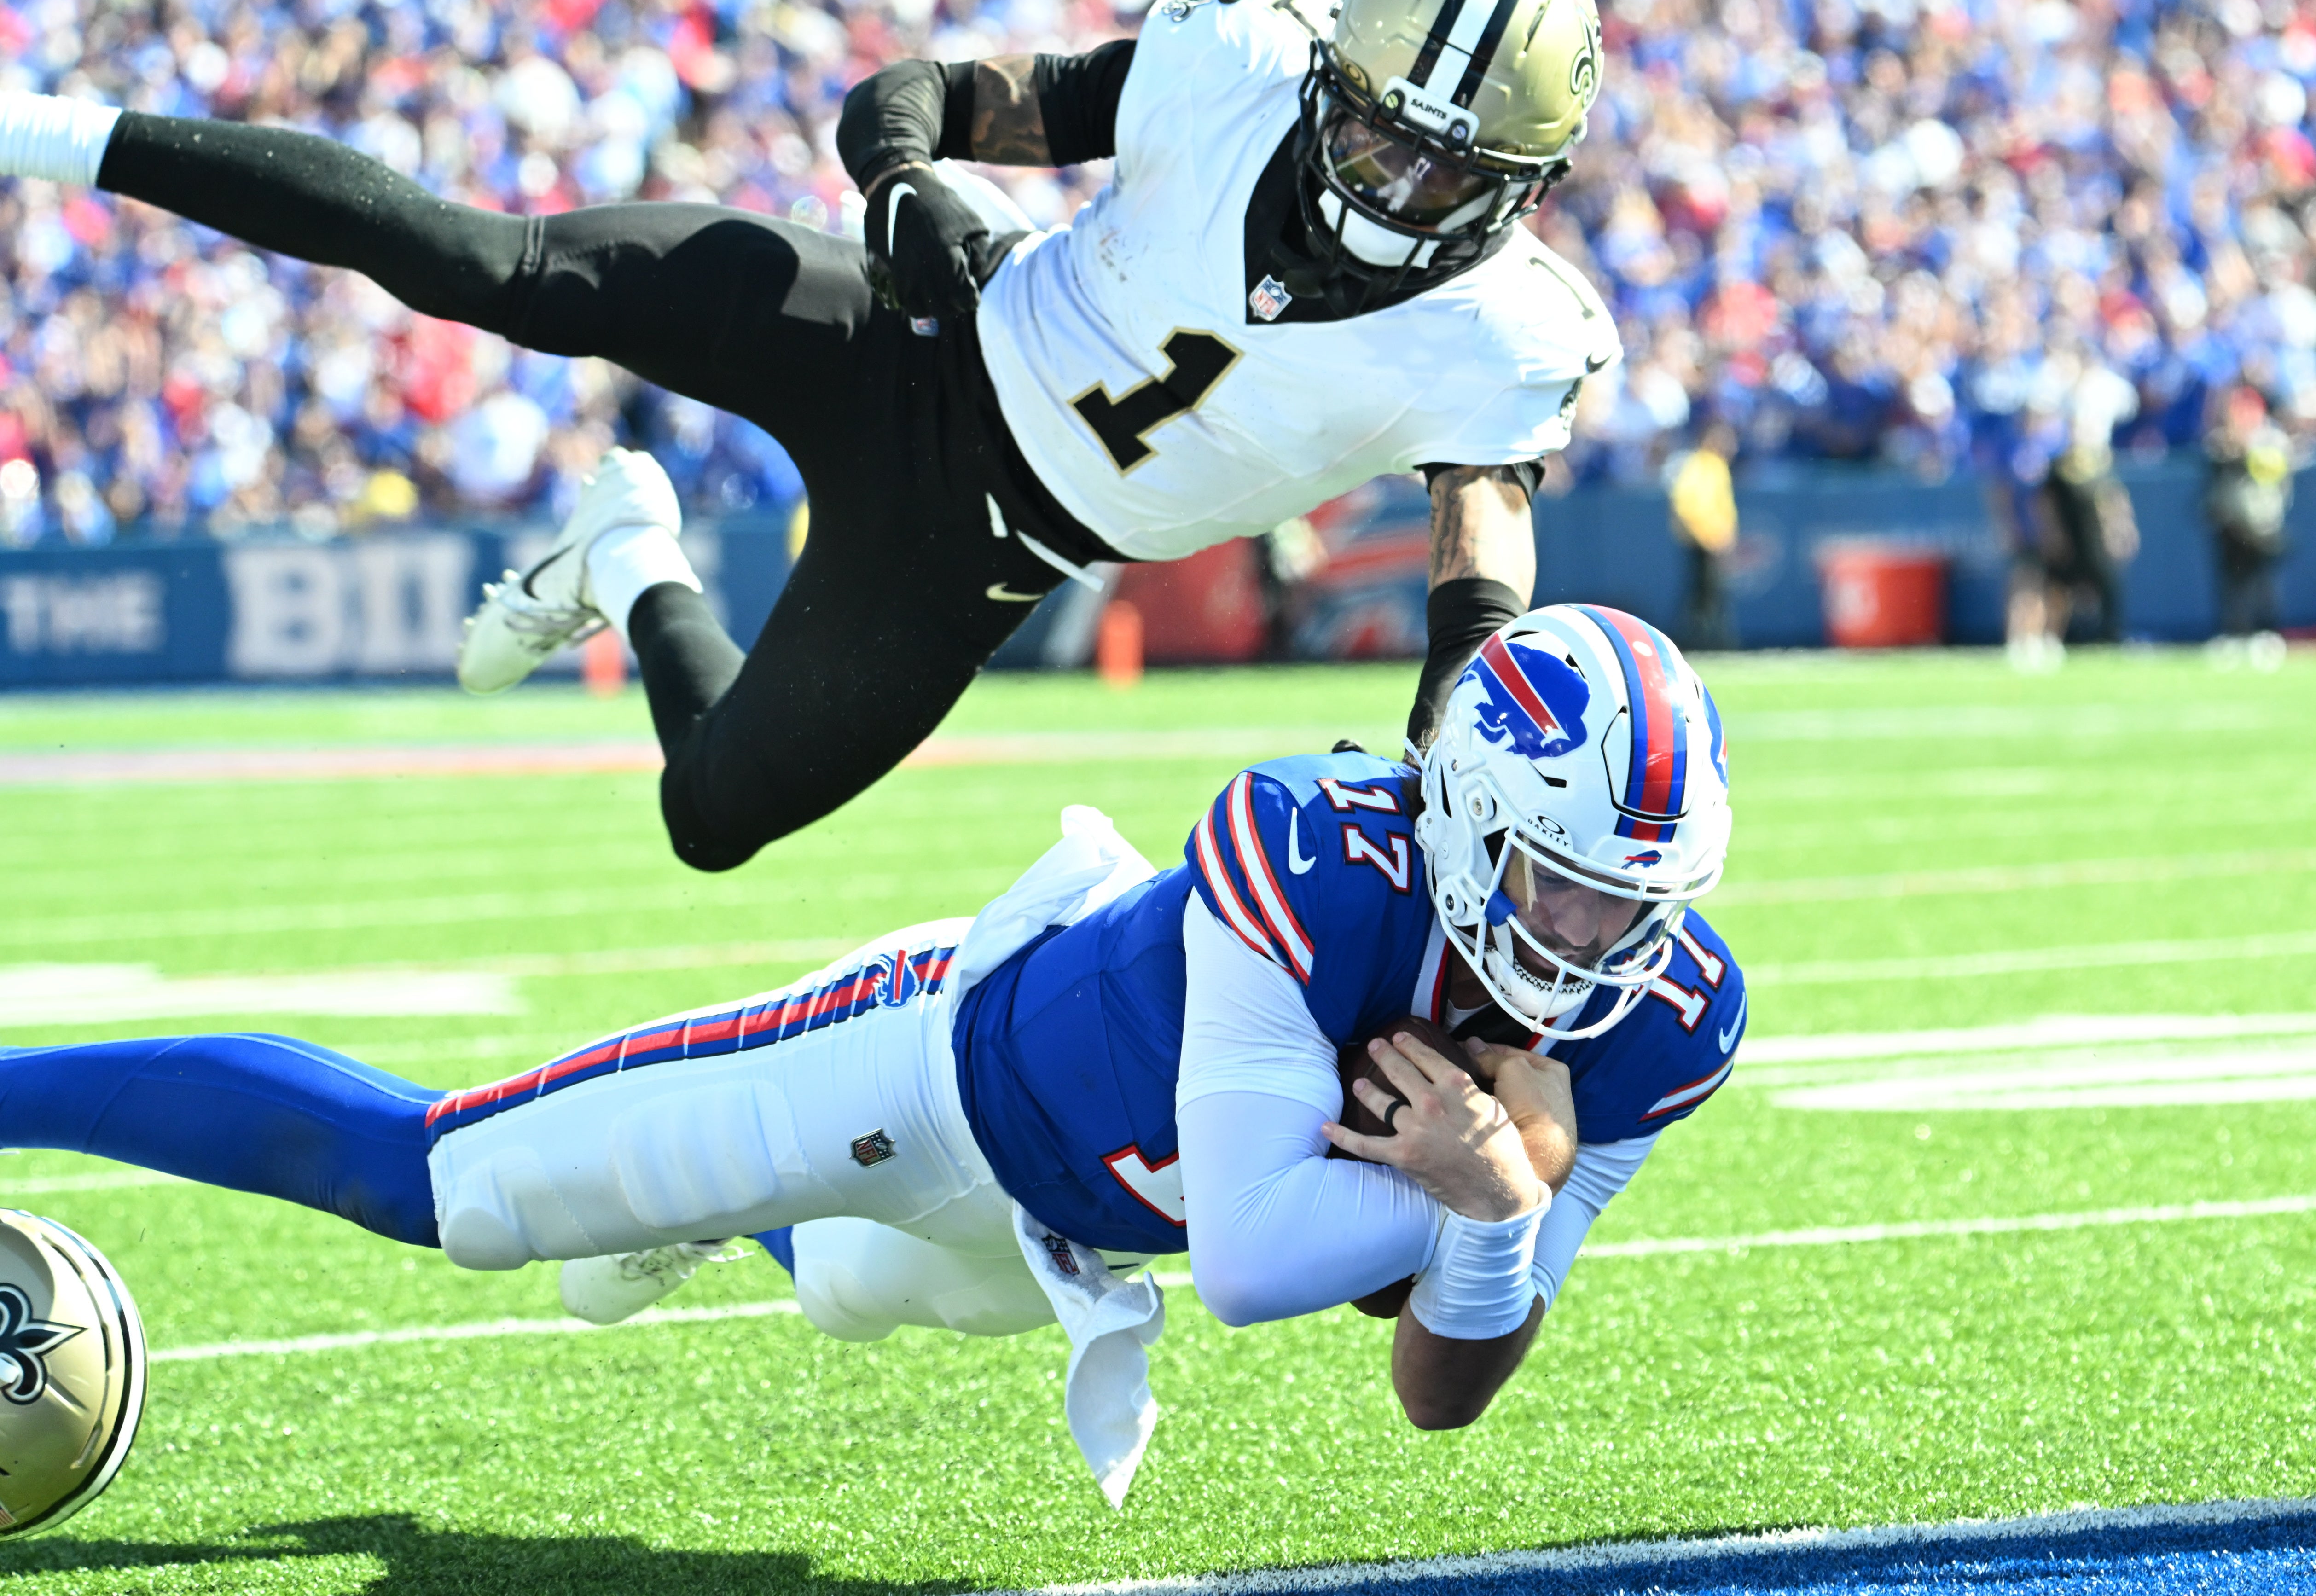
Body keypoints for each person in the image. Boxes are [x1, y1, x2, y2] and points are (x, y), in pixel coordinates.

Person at [0, 605, 1739, 1503]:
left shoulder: (1668, 1017)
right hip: (915, 1068)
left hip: (1058, 1238)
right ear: (1470, 818)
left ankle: (702, 1215)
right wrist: (1488, 1195)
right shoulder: (1308, 845)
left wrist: (1492, 1218)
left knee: (835, 1284)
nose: (1600, 943)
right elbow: (1268, 1256)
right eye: (1571, 886)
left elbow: (1444, 1384)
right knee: (436, 1180)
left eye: (1636, 901)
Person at [0, 0, 1618, 874]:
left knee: (708, 819)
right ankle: (44, 126)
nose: (1395, 182)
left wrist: (1457, 726)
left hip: (980, 551)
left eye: (1443, 163)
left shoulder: (1502, 339)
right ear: (1331, 70)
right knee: (486, 266)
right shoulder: (1235, 56)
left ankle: (627, 553)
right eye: (1377, 130)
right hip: (912, 327)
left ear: (1523, 184)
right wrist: (905, 177)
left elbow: (1483, 553)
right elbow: (922, 96)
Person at [2203, 386, 2294, 660]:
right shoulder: (2222, 440)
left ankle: (2266, 634)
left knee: (2262, 582)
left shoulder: (2271, 439)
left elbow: (2271, 470)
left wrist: (2246, 449)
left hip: (2262, 520)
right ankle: (2235, 633)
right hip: (2232, 522)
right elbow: (2215, 459)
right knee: (2232, 581)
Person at [1666, 423, 1739, 652]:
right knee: (1705, 595)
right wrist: (1707, 535)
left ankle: (1709, 640)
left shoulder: (1715, 466)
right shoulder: (1700, 464)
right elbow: (1686, 504)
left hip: (1712, 540)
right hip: (1704, 542)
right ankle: (1708, 642)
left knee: (1707, 594)